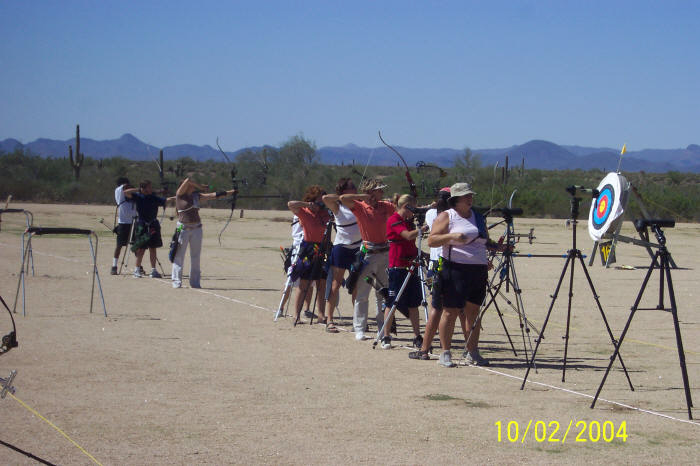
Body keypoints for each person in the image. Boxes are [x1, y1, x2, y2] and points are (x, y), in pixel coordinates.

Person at [426, 182, 507, 367]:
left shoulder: (477, 217)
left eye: (471, 196)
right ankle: (445, 353)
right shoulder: (447, 216)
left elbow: (484, 240)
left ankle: (472, 352)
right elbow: (432, 240)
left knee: (473, 312)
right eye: (466, 196)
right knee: (450, 311)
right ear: (456, 199)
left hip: (477, 269)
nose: (470, 199)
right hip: (454, 268)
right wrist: (451, 237)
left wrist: (498, 247)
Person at [339, 178, 395, 341]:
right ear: (370, 192)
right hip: (368, 256)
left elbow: (399, 210)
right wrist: (363, 197)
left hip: (384, 254)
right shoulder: (360, 206)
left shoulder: (386, 206)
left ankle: (382, 329)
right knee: (363, 293)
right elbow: (342, 198)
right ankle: (359, 328)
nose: (382, 193)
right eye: (379, 190)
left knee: (382, 293)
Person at [171, 178, 237, 289]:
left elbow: (213, 195)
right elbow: (188, 180)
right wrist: (201, 187)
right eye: (192, 185)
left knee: (195, 257)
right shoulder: (180, 195)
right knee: (179, 256)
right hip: (183, 228)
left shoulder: (196, 196)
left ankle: (195, 282)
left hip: (196, 228)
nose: (193, 186)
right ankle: (176, 281)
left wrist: (231, 192)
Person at [381, 194, 428, 349]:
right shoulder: (394, 220)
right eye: (412, 208)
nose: (414, 212)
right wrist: (423, 229)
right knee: (392, 302)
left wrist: (422, 253)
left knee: (414, 303)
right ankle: (386, 335)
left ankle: (417, 335)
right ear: (405, 206)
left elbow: (411, 243)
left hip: (411, 266)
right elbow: (407, 236)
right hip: (397, 267)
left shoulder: (409, 222)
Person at [321, 178, 362, 333]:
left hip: (358, 248)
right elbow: (325, 198)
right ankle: (329, 319)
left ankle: (357, 320)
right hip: (341, 248)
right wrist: (343, 198)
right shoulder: (337, 205)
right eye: (352, 187)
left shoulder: (358, 204)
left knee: (356, 285)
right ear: (344, 190)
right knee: (336, 284)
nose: (355, 189)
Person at [287, 185, 331, 326]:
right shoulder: (305, 212)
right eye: (319, 200)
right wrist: (308, 205)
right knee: (304, 283)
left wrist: (326, 205)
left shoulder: (326, 213)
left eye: (323, 201)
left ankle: (321, 315)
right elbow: (291, 204)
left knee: (322, 282)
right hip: (308, 249)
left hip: (324, 249)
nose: (321, 204)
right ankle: (296, 315)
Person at [124, 180, 167, 278]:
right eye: (149, 187)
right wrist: (139, 190)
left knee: (153, 248)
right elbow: (125, 192)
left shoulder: (153, 197)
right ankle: (137, 270)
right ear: (144, 188)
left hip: (152, 225)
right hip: (142, 225)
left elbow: (165, 201)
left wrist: (178, 196)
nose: (151, 189)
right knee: (141, 249)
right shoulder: (138, 196)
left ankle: (153, 270)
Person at [275, 214, 313, 318]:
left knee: (309, 281)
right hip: (298, 248)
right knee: (290, 281)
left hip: (310, 247)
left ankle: (307, 309)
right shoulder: (300, 212)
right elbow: (303, 222)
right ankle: (281, 308)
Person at [111, 177, 137, 275]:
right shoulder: (119, 193)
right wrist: (138, 188)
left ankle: (138, 266)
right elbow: (125, 187)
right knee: (119, 245)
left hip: (133, 223)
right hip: (123, 223)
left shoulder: (132, 197)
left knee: (135, 245)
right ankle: (114, 266)